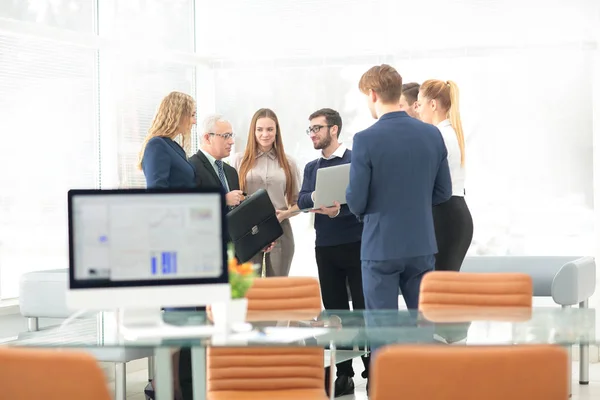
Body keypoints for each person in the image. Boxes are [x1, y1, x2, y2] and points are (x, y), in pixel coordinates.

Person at [346, 64, 452, 312]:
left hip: (380, 246)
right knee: (424, 328)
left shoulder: (365, 139)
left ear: (373, 95)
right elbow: (443, 192)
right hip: (421, 244)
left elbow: (357, 201)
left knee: (382, 333)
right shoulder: (432, 134)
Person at [297, 108, 369, 397]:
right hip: (325, 248)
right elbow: (301, 199)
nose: (313, 133)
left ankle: (372, 368)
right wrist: (316, 197)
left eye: (317, 128)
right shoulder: (311, 168)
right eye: (310, 129)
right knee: (336, 314)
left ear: (334, 129)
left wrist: (342, 208)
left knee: (363, 311)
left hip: (357, 244)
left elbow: (365, 198)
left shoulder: (355, 160)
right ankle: (344, 373)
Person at [231, 108, 302, 277]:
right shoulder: (238, 160)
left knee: (277, 290)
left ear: (276, 131)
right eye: (260, 129)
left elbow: (298, 203)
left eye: (270, 129)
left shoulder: (289, 163)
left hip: (279, 228)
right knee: (249, 289)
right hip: (248, 231)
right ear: (253, 131)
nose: (265, 134)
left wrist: (284, 214)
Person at [417, 80, 474, 272]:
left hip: (443, 216)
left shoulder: (436, 135)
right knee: (443, 286)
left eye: (420, 104)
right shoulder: (451, 132)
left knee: (437, 288)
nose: (417, 110)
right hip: (455, 214)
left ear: (432, 104)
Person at [138, 91, 197, 189]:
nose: (194, 121)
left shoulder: (174, 146)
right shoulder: (157, 145)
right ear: (178, 115)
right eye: (192, 115)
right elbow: (157, 191)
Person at [188, 114, 245, 207]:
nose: (231, 141)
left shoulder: (231, 172)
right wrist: (223, 200)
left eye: (231, 135)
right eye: (226, 136)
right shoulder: (191, 167)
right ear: (207, 138)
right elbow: (189, 208)